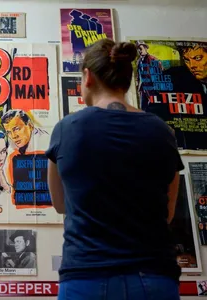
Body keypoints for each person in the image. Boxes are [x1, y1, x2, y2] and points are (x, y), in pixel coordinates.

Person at [46, 39, 183, 300]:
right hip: (154, 276)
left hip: (86, 276)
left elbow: (60, 204)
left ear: (87, 76)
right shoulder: (162, 132)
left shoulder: (67, 129)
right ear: (127, 79)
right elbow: (167, 212)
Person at [135, 41, 162, 110]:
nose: (139, 51)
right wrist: (137, 85)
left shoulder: (153, 59)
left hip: (152, 88)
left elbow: (160, 74)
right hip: (143, 88)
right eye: (138, 49)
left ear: (146, 48)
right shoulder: (138, 61)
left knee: (154, 108)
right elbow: (138, 74)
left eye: (140, 48)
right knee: (143, 108)